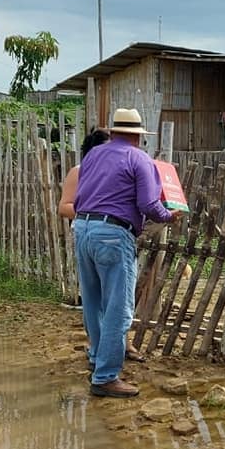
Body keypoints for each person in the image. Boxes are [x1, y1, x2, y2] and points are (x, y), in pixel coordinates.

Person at [73, 107, 183, 398]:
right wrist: (168, 216)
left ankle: (97, 357)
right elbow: (148, 204)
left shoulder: (93, 155)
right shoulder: (139, 158)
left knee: (93, 301)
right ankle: (105, 376)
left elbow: (83, 192)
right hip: (112, 232)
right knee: (118, 308)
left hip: (82, 227)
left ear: (113, 132)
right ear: (138, 136)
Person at [58, 127, 147, 363]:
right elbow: (64, 206)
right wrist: (97, 213)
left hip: (109, 233)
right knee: (105, 299)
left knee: (115, 297)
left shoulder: (118, 169)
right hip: (99, 233)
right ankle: (103, 362)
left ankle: (116, 348)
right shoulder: (80, 171)